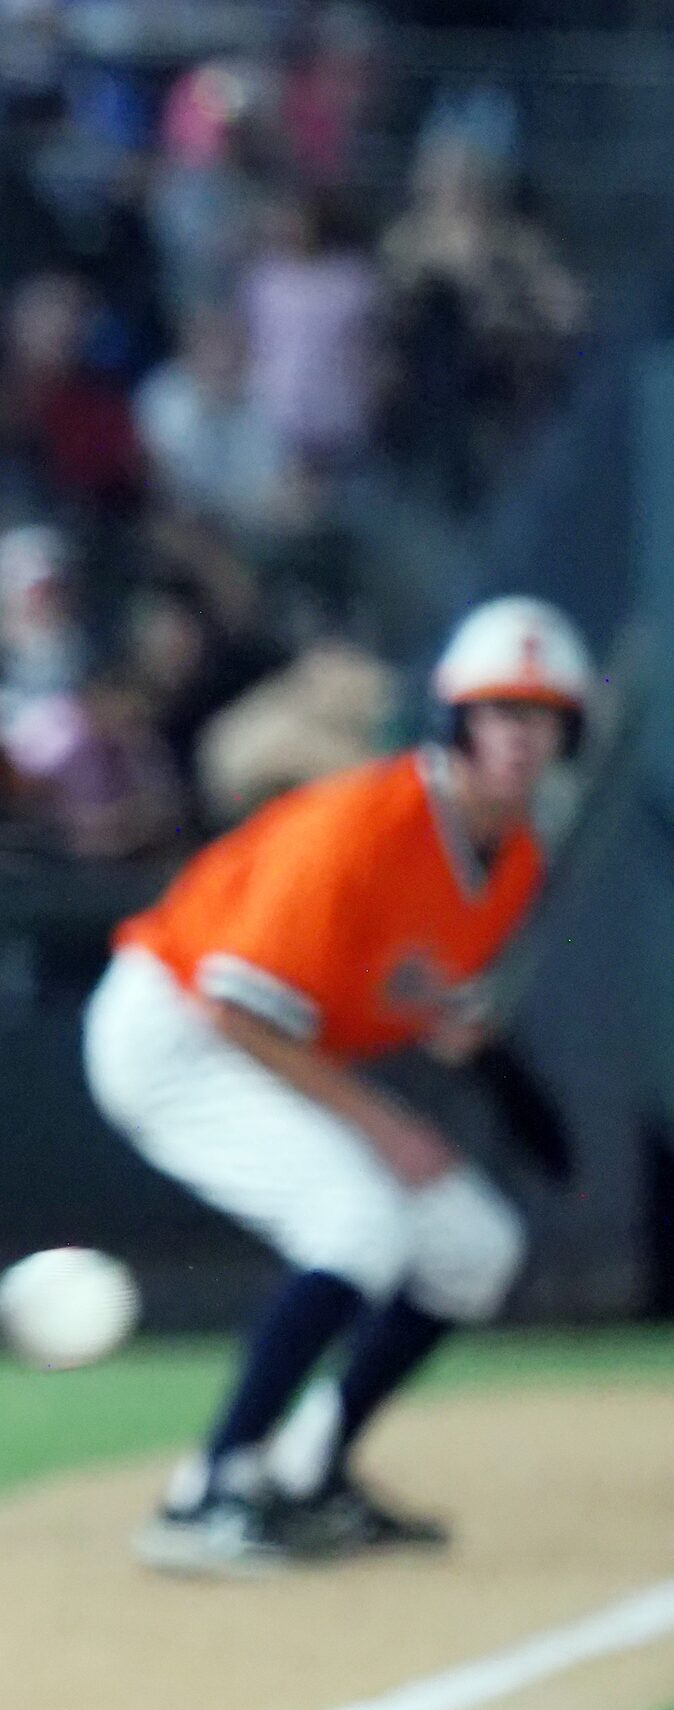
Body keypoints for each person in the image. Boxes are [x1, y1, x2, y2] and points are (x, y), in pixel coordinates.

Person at [84, 596, 590, 1576]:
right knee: (355, 1221)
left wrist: (502, 1083)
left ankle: (309, 1471)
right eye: (498, 713)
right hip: (172, 1028)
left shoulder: (515, 859)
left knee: (475, 1248)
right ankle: (209, 1491)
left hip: (256, 1044)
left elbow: (439, 1011)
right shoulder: (361, 823)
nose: (519, 739)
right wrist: (384, 1125)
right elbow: (239, 1008)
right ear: (456, 719)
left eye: (541, 717)